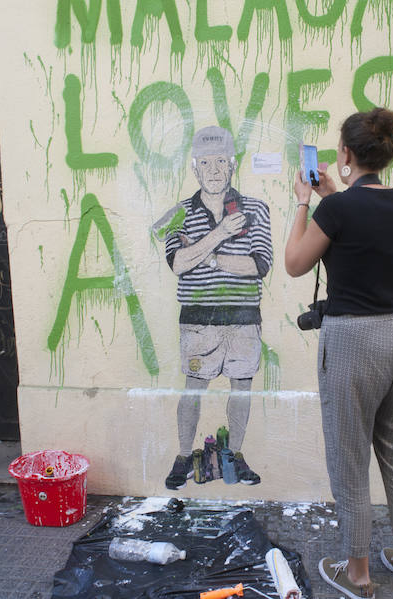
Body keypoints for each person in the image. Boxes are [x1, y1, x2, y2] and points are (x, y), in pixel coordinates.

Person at [285, 108, 393, 599]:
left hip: (353, 342)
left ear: (346, 154)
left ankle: (359, 575)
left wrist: (304, 202)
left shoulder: (336, 211)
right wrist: (331, 194)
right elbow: (360, 223)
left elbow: (294, 263)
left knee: (350, 460)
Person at [158, 126, 273, 490]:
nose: (213, 170)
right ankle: (181, 455)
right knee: (193, 388)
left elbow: (258, 265)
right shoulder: (176, 214)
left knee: (242, 387)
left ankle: (235, 456)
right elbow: (177, 262)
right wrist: (221, 233)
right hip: (198, 320)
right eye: (205, 163)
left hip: (243, 319)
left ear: (232, 165)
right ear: (194, 168)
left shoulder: (256, 209)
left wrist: (207, 258)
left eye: (220, 161)